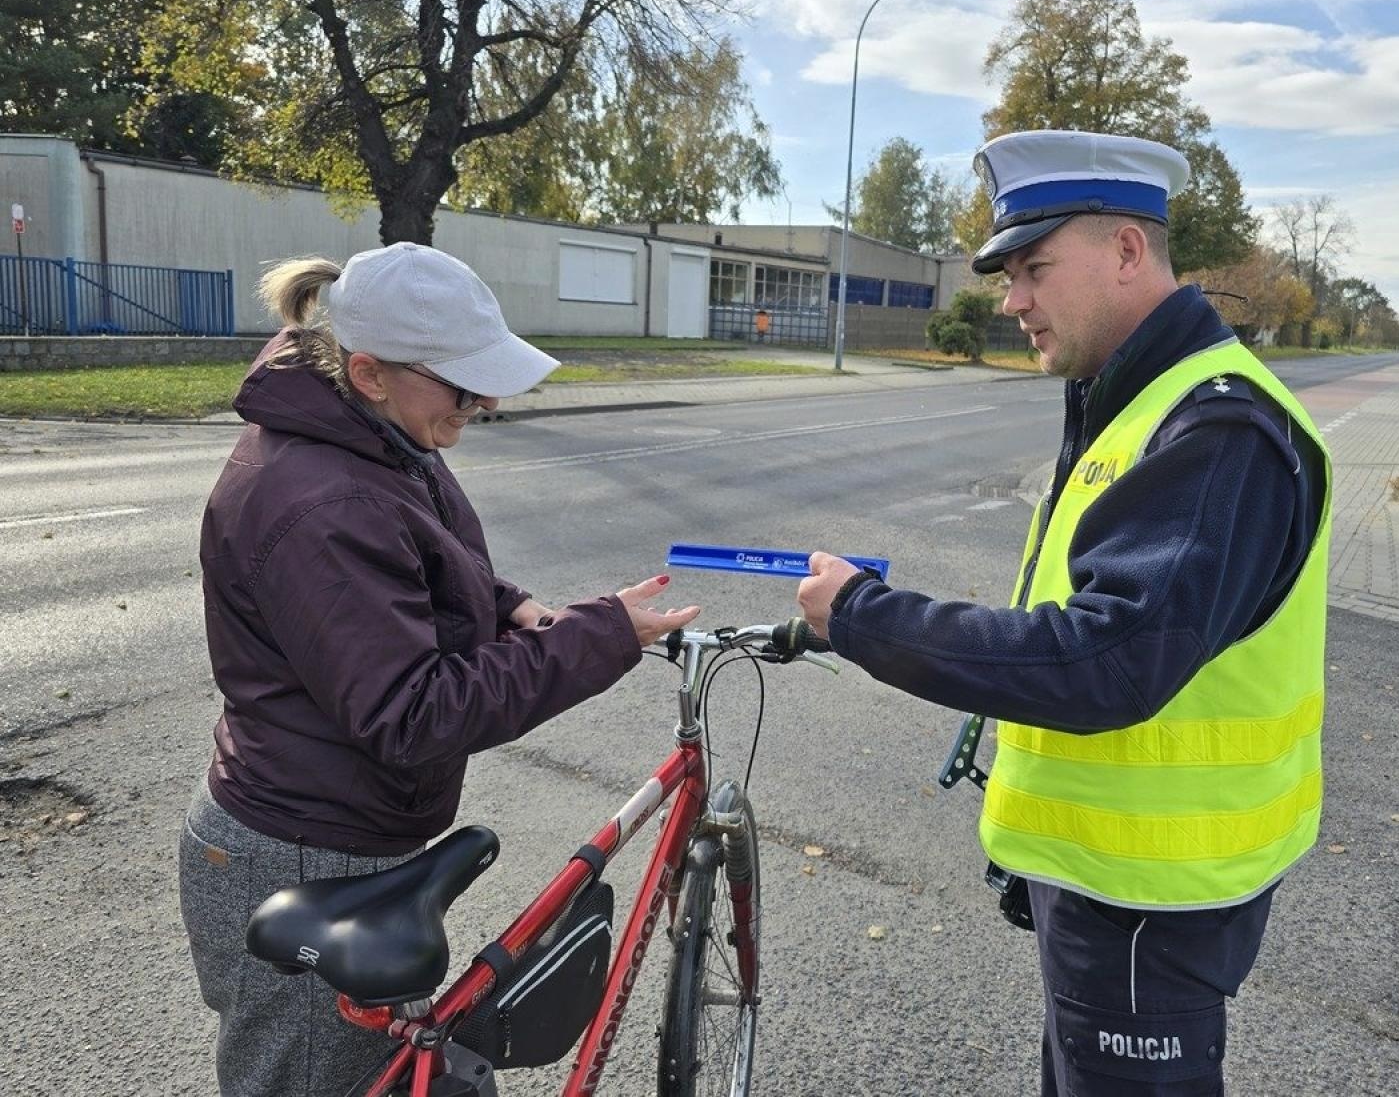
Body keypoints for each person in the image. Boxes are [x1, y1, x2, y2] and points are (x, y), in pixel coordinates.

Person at [797, 130, 1331, 1096]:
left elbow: (1104, 659)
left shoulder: (1216, 427)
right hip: (1116, 883)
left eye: (1033, 268)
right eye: (1005, 275)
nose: (1010, 302)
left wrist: (864, 616)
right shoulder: (1134, 398)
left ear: (1127, 251)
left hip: (1150, 900)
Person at [179, 242, 698, 1096]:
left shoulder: (371, 436)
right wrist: (595, 637)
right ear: (371, 371)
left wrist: (507, 609)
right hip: (302, 854)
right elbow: (411, 714)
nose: (486, 400)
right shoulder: (323, 497)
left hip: (336, 835)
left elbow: (416, 561)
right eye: (462, 381)